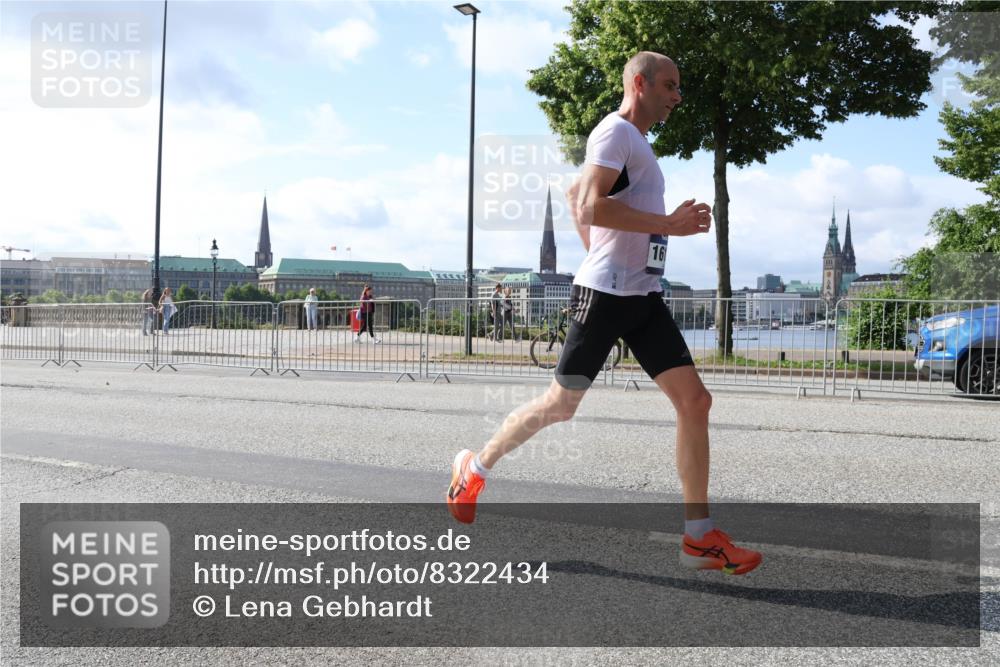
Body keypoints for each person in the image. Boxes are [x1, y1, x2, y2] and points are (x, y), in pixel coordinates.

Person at [446, 52, 762, 575]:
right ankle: (473, 467)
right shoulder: (614, 133)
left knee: (695, 401)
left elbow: (576, 194)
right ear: (639, 83)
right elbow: (591, 203)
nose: (677, 95)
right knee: (560, 406)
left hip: (641, 297)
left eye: (678, 87)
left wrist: (603, 244)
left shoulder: (636, 143)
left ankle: (699, 538)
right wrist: (665, 224)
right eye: (669, 85)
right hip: (605, 298)